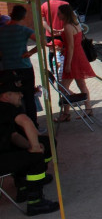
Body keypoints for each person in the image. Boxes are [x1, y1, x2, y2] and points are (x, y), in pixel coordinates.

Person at [0, 74, 61, 216]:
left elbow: (13, 136)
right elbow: (26, 122)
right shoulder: (5, 108)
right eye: (17, 93)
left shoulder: (4, 107)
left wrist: (30, 145)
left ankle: (24, 186)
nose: (21, 95)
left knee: (40, 145)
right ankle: (35, 202)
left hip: (4, 151)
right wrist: (34, 148)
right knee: (35, 158)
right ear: (6, 96)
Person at [54, 4, 96, 122]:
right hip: (79, 54)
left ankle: (67, 112)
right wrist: (60, 32)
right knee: (81, 84)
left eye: (59, 13)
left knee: (62, 86)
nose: (57, 15)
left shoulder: (67, 26)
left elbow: (70, 46)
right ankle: (88, 108)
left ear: (64, 14)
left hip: (73, 57)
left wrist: (67, 64)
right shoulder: (76, 23)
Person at [0, 5, 39, 128]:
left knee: (11, 99)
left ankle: (16, 126)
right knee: (29, 98)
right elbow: (42, 41)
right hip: (24, 67)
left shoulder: (1, 31)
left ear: (11, 14)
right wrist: (30, 52)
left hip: (7, 69)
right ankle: (33, 125)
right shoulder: (24, 30)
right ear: (23, 16)